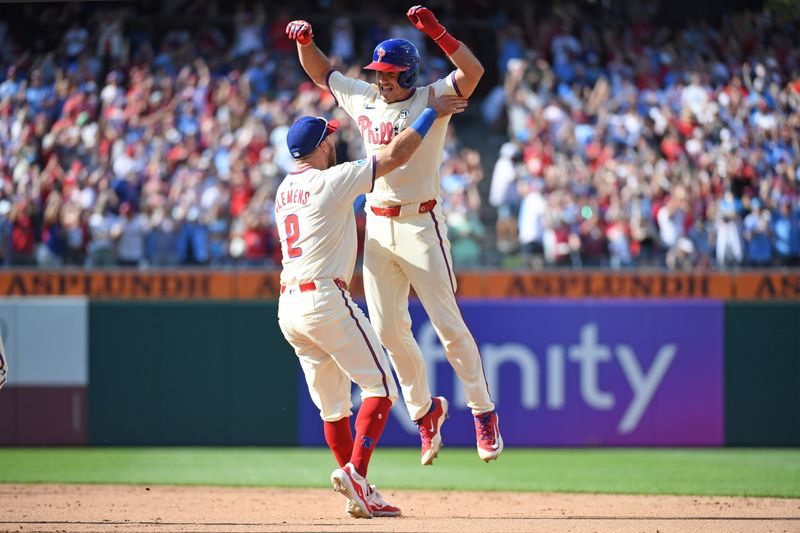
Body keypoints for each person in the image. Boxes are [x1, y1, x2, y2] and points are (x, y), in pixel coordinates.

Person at [286, 5, 503, 466]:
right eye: (377, 72)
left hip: (421, 222)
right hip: (379, 224)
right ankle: (426, 414)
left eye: (388, 73)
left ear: (408, 73)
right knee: (386, 329)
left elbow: (474, 71)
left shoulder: (432, 97)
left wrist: (440, 33)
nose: (381, 79)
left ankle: (483, 413)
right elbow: (323, 73)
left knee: (447, 325)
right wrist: (306, 43)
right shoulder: (365, 98)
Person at [276, 90, 466, 518]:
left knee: (333, 409)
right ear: (320, 146)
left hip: (289, 305)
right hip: (325, 297)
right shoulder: (332, 179)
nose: (333, 143)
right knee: (381, 388)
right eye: (329, 138)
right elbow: (396, 156)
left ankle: (356, 483)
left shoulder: (284, 189)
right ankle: (357, 476)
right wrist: (430, 114)